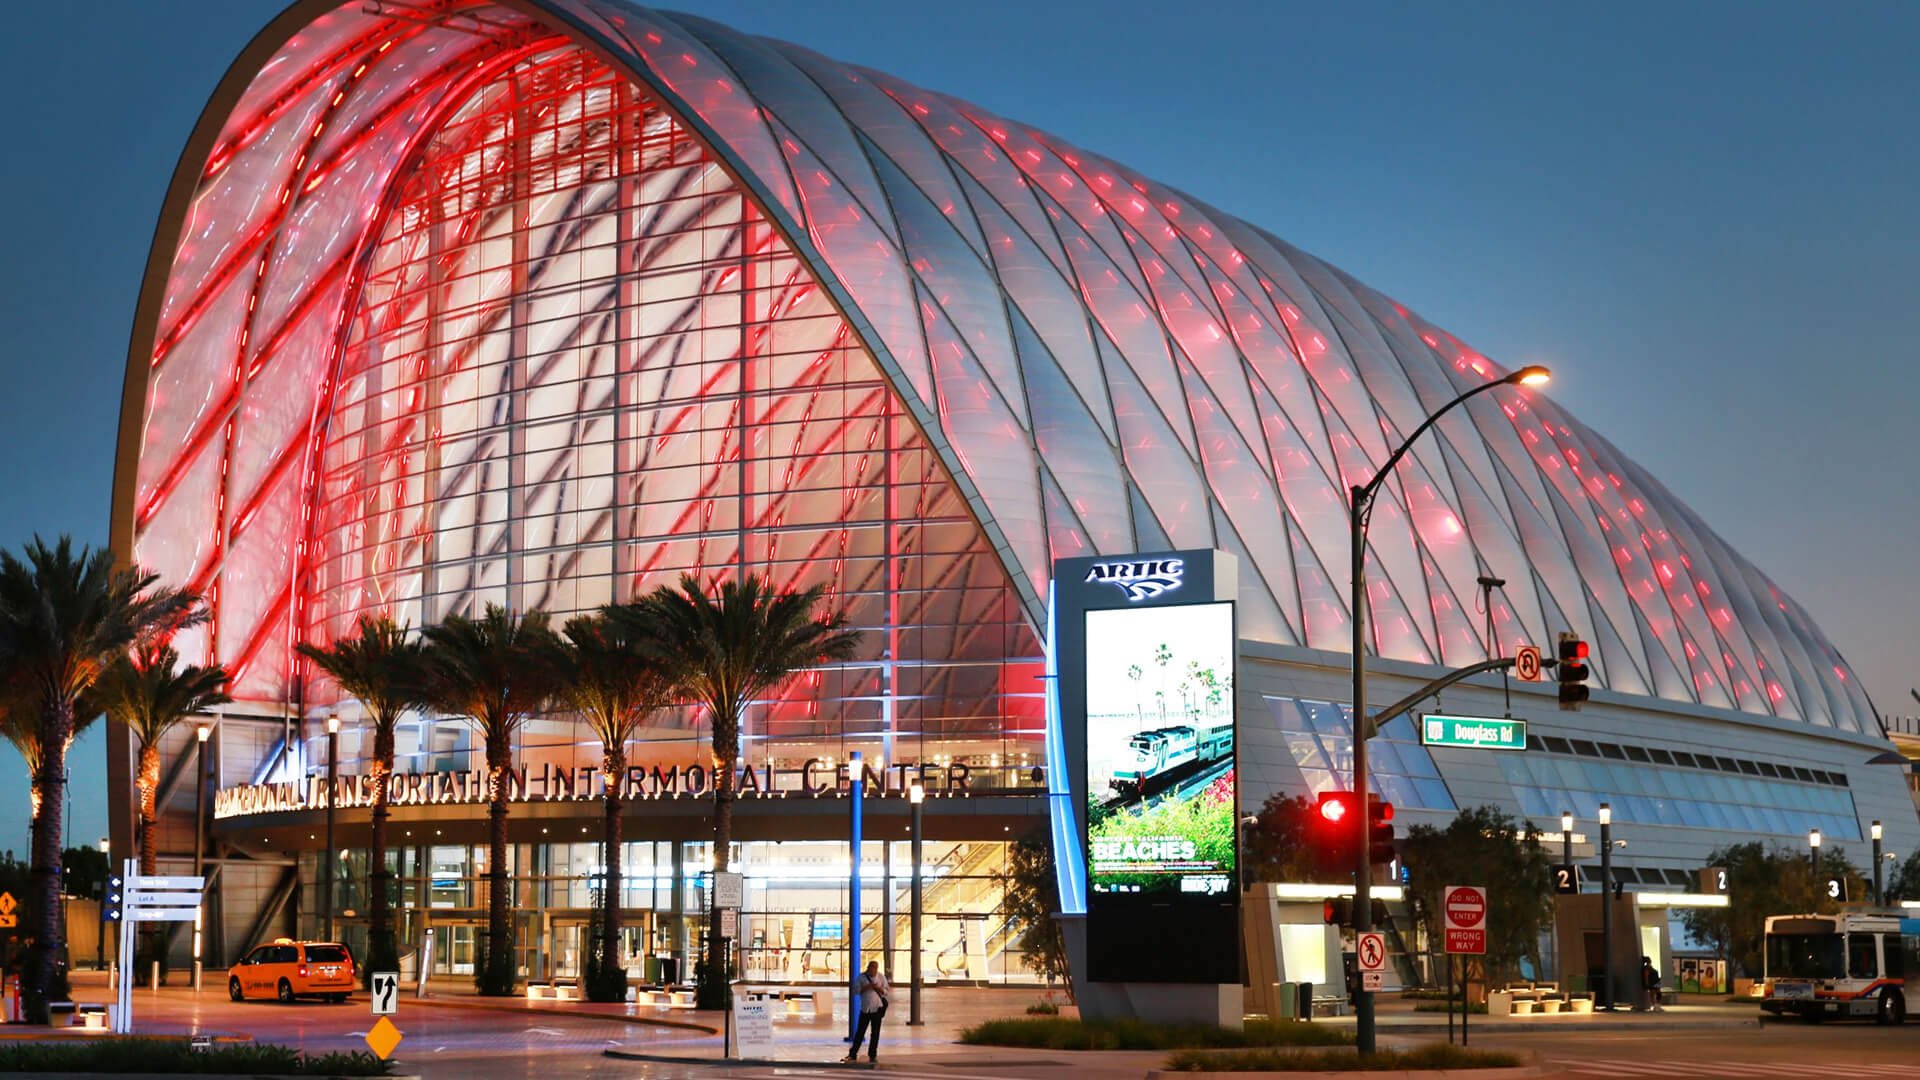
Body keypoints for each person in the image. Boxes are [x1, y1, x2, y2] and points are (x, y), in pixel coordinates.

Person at [845, 960, 890, 1063]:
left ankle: (872, 1055)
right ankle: (853, 1054)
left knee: (875, 1033)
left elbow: (886, 991)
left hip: (877, 1008)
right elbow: (856, 991)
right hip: (865, 1009)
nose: (874, 970)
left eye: (875, 968)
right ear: (868, 967)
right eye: (872, 967)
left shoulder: (881, 977)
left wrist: (879, 989)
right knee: (860, 1032)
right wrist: (866, 987)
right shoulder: (862, 977)